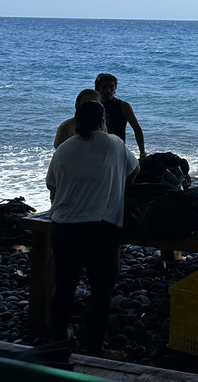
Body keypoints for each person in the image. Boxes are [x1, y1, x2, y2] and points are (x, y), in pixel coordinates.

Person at [46, 100, 139, 355]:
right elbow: (134, 171)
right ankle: (95, 348)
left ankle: (57, 342)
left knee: (65, 287)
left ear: (76, 122)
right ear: (103, 121)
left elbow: (52, 185)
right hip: (101, 228)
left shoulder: (63, 149)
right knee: (101, 291)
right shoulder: (115, 144)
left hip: (63, 227)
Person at [95, 72, 146, 158]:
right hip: (96, 151)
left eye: (111, 87)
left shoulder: (123, 106)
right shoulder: (93, 107)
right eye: (104, 87)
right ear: (97, 89)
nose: (108, 91)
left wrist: (142, 153)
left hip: (117, 151)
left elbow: (137, 129)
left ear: (115, 88)